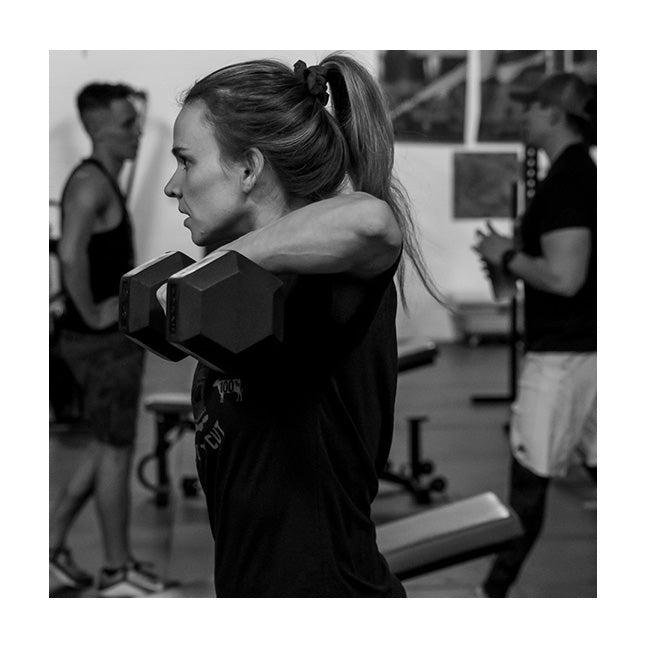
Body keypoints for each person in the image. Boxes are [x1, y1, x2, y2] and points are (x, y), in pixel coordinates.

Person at [159, 55, 436, 596]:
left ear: (249, 168)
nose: (173, 186)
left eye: (186, 162)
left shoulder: (331, 278)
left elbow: (373, 222)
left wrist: (222, 262)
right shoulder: (255, 284)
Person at [473, 72, 596, 597]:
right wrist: (506, 261)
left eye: (531, 108)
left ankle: (489, 597)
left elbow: (565, 278)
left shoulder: (569, 180)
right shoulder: (574, 174)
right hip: (584, 350)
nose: (522, 116)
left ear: (553, 113)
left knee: (528, 486)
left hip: (564, 358)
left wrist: (506, 254)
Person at [49, 82, 165, 596]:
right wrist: (95, 313)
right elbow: (69, 252)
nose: (136, 132)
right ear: (97, 129)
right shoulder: (90, 184)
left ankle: (50, 550)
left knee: (104, 446)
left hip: (106, 342)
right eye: (126, 124)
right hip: (99, 345)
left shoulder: (101, 180)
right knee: (116, 451)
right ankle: (118, 571)